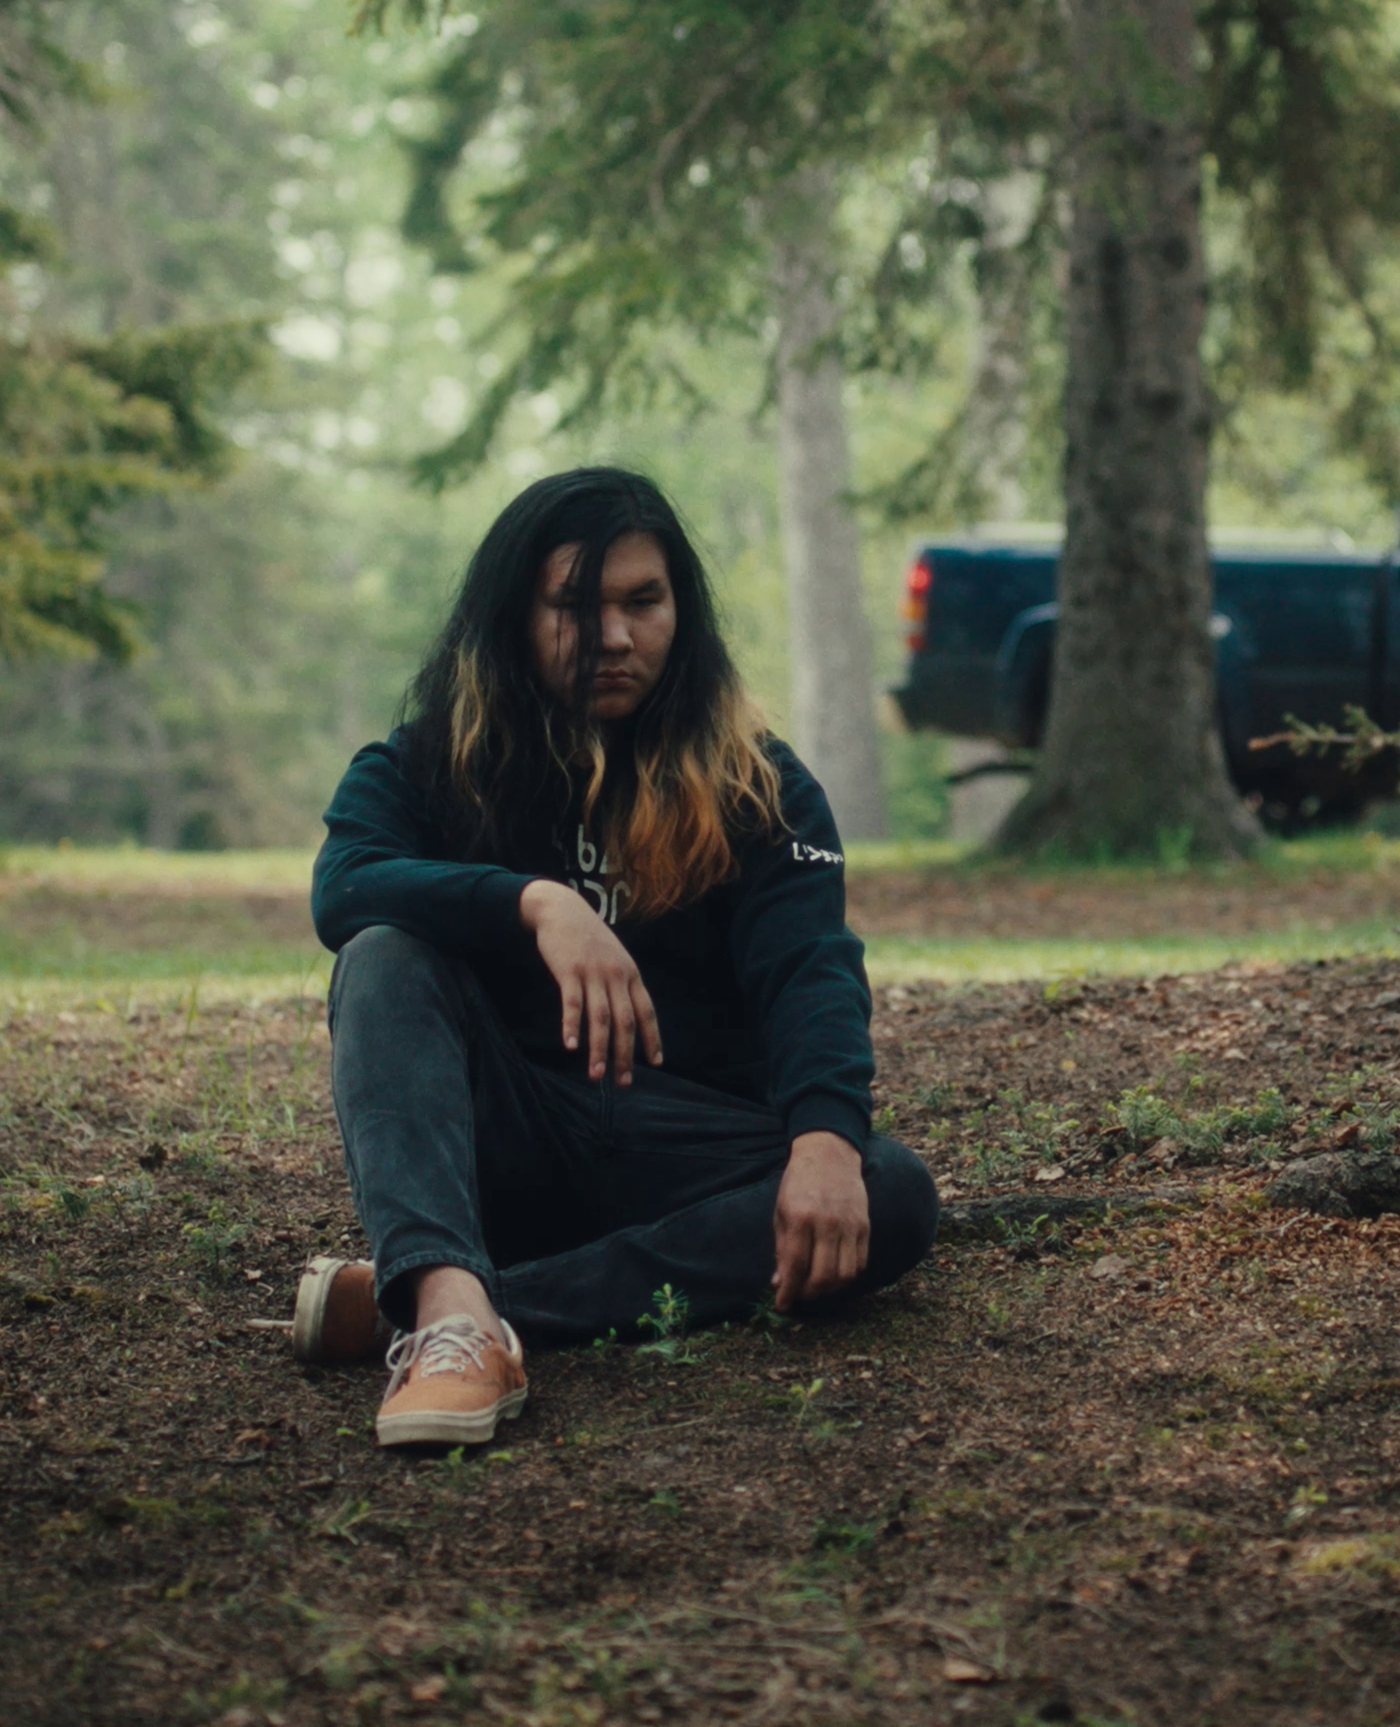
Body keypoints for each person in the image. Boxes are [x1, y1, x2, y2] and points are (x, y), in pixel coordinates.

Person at [294, 466, 939, 1448]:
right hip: (503, 1141)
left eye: (643, 601)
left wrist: (822, 1141)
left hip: (682, 1153)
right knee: (383, 955)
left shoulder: (757, 783)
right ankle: (453, 1310)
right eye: (572, 606)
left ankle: (450, 1310)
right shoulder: (429, 763)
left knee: (886, 1190)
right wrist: (533, 902)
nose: (613, 636)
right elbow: (344, 886)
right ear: (513, 614)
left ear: (680, 611)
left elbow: (809, 967)